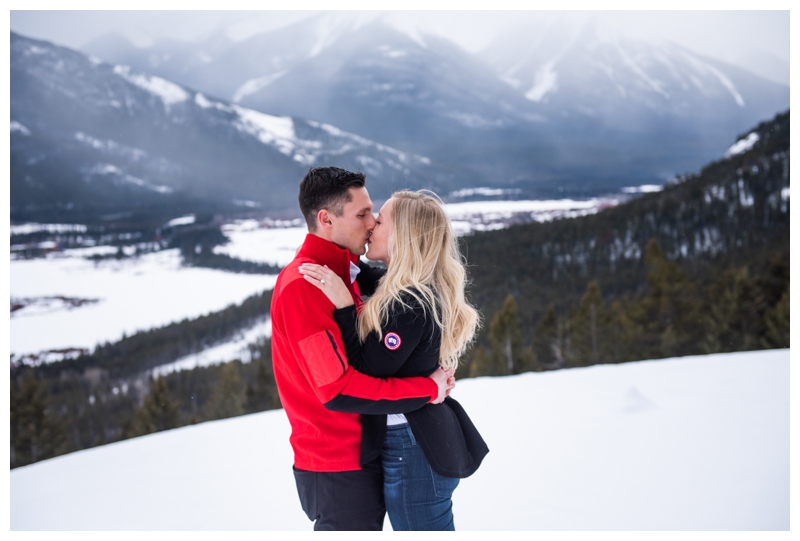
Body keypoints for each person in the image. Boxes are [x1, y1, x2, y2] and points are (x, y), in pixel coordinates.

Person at [270, 168, 456, 531]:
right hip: (337, 461)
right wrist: (427, 389)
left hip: (363, 451)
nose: (371, 223)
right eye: (362, 214)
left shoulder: (345, 274)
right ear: (325, 219)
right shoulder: (306, 287)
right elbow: (338, 388)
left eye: (374, 213)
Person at [299, 189, 489, 531]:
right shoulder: (408, 287)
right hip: (413, 444)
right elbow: (371, 279)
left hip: (414, 449)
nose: (371, 225)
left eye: (380, 219)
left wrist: (344, 308)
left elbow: (365, 371)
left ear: (403, 235)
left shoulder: (409, 303)